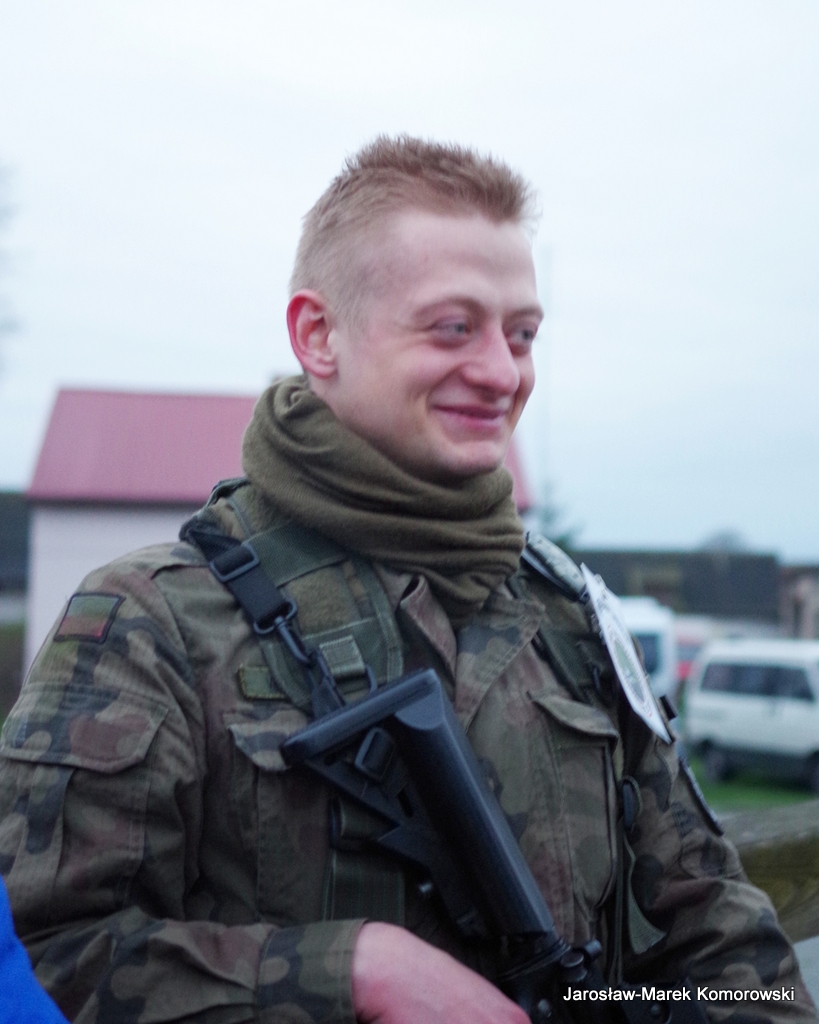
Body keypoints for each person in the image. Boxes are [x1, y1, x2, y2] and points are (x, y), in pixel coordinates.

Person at [0, 136, 813, 1024]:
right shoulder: (150, 622)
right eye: (452, 327)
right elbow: (60, 950)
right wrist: (353, 974)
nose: (502, 373)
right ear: (318, 336)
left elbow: (719, 935)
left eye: (522, 334)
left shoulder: (569, 618)